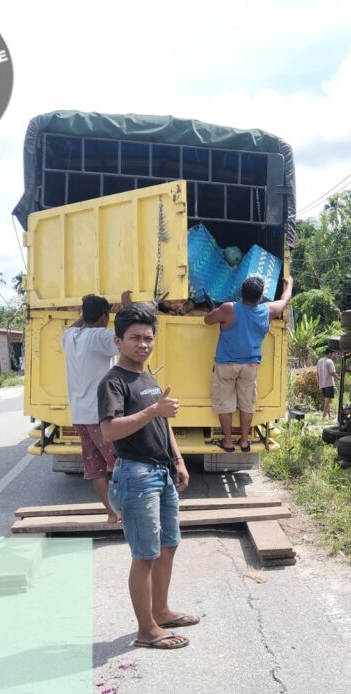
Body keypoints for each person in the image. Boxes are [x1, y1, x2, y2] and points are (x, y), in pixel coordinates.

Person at [98, 303, 196, 650]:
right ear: (118, 341)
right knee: (145, 554)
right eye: (135, 338)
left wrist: (179, 459)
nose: (143, 344)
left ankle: (162, 610)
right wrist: (154, 409)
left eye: (148, 338)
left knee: (168, 545)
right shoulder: (113, 382)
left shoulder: (146, 376)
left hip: (162, 472)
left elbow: (161, 422)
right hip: (136, 476)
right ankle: (146, 630)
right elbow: (109, 431)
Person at [61, 291, 130, 524]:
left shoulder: (70, 336)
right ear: (103, 317)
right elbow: (128, 338)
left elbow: (78, 324)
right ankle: (129, 511)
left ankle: (111, 513)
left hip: (79, 414)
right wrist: (126, 309)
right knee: (121, 464)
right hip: (99, 415)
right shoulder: (101, 336)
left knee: (96, 468)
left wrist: (88, 309)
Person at [204, 274, 293, 452]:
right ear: (261, 297)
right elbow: (285, 299)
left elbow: (207, 320)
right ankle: (244, 441)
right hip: (250, 366)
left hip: (226, 365)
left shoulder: (229, 309)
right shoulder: (267, 310)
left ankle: (228, 442)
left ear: (241, 293)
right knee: (247, 404)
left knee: (225, 403)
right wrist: (289, 283)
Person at [316, 347, 338, 420]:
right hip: (329, 383)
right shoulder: (329, 361)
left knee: (327, 400)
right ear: (329, 353)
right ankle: (323, 417)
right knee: (327, 401)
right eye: (333, 354)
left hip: (322, 384)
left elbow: (317, 374)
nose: (333, 355)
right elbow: (332, 373)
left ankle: (329, 415)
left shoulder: (320, 361)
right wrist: (339, 378)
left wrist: (319, 384)